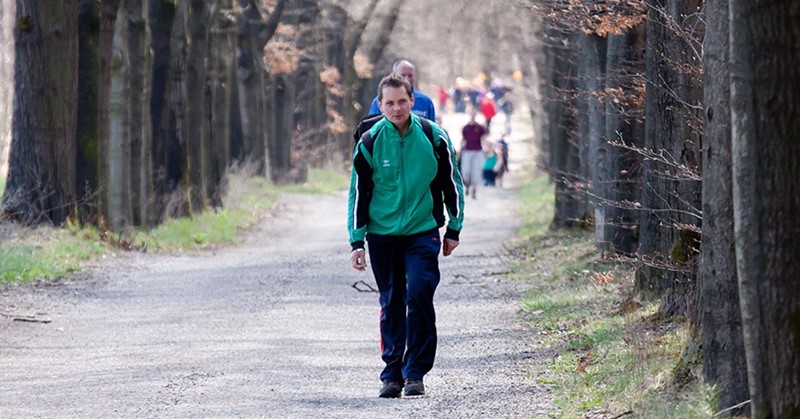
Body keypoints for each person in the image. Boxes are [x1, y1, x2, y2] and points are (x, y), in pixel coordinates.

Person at [348, 74, 465, 398]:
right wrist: (356, 241)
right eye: (389, 103)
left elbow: (452, 184)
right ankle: (391, 374)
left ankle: (415, 372)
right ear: (380, 105)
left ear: (412, 101)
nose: (396, 108)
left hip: (422, 231)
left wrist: (453, 228)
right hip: (382, 235)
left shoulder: (433, 136)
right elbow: (358, 194)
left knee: (420, 293)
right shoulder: (370, 141)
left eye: (402, 101)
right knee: (391, 301)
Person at [368, 60, 436, 121]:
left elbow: (431, 129)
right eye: (403, 75)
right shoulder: (380, 101)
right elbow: (372, 127)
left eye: (410, 75)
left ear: (412, 100)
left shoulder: (425, 101)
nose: (407, 79)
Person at [459, 111, 488, 199]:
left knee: (476, 171)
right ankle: (467, 185)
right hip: (467, 151)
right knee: (466, 171)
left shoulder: (479, 127)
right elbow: (463, 139)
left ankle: (474, 189)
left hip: (477, 151)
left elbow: (485, 134)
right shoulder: (466, 128)